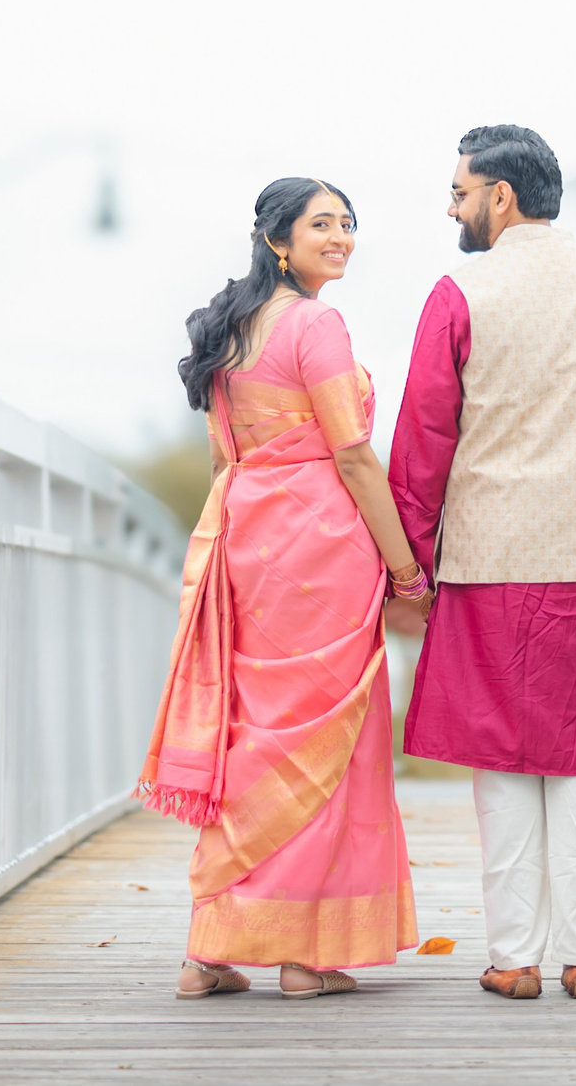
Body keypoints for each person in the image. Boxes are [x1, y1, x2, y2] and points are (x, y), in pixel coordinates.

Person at [389, 125, 576, 1002]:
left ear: (501, 196)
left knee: (503, 760)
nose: (452, 206)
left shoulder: (460, 292)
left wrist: (409, 561)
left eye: (461, 190)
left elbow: (425, 438)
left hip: (489, 560)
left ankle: (513, 954)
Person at [141, 176, 430, 1001]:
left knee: (255, 733)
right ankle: (305, 956)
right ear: (277, 239)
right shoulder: (315, 323)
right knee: (326, 742)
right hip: (322, 547)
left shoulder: (227, 329)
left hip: (247, 539)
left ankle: (210, 949)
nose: (340, 237)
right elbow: (352, 455)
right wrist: (406, 567)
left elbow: (224, 458)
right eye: (322, 224)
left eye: (348, 224)